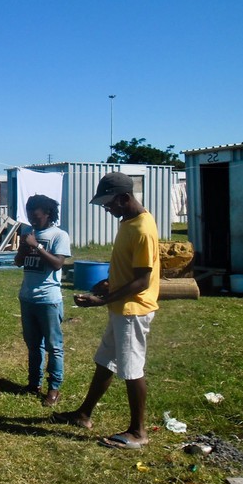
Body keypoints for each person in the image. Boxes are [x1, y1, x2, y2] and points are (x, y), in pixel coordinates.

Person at [52, 172, 160, 450]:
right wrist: (109, 282)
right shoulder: (128, 222)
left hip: (134, 310)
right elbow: (129, 268)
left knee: (132, 369)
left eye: (109, 204)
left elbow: (142, 280)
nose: (106, 209)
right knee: (105, 361)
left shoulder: (143, 228)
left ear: (125, 198)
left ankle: (138, 432)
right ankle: (83, 414)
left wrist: (103, 300)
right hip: (120, 306)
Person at [15, 194, 71, 407]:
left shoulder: (59, 235)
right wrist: (23, 248)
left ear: (47, 214)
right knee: (32, 344)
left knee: (53, 346)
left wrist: (38, 247)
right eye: (29, 215)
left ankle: (54, 389)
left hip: (49, 299)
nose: (32, 219)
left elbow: (58, 264)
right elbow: (19, 262)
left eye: (36, 215)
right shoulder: (29, 232)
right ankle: (33, 384)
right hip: (28, 297)